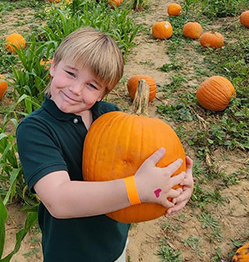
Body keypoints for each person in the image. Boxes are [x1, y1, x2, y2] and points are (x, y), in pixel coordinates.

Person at [17, 27, 194, 262]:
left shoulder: (109, 116)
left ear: (103, 93)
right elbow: (58, 200)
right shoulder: (36, 129)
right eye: (70, 73)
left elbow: (144, 169)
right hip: (71, 252)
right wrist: (137, 188)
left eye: (92, 85)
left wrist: (178, 183)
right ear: (53, 65)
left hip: (115, 242)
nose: (76, 89)